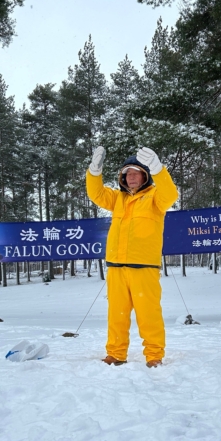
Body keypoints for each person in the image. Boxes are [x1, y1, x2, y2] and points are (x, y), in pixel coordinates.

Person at [86, 145, 178, 367]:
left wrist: (159, 169)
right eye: (127, 173)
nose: (131, 177)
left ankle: (154, 355)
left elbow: (171, 194)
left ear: (145, 176)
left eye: (136, 172)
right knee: (116, 314)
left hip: (144, 267)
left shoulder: (156, 197)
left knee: (149, 315)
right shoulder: (118, 199)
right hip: (117, 267)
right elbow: (96, 193)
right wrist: (94, 172)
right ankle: (116, 353)